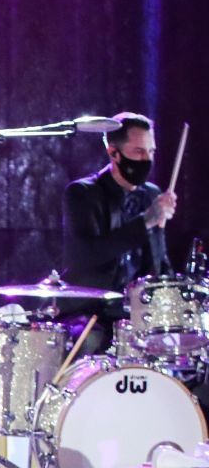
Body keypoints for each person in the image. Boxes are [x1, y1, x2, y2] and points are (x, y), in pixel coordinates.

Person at [64, 113, 180, 357]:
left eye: (151, 151)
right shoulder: (83, 193)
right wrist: (145, 221)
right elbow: (86, 256)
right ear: (113, 153)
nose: (147, 159)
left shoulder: (151, 195)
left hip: (140, 315)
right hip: (94, 315)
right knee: (86, 346)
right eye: (138, 152)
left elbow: (160, 263)